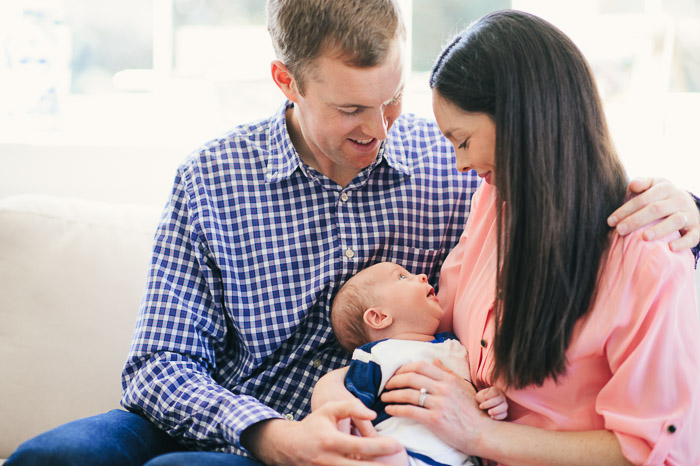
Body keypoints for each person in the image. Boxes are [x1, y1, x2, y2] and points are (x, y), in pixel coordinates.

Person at [6, 1, 700, 465]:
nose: (380, 127)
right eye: (350, 108)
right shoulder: (212, 180)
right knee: (51, 460)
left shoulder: (461, 169)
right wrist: (267, 432)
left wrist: (689, 208)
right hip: (236, 415)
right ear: (287, 81)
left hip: (374, 436)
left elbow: (570, 192)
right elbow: (158, 365)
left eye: (394, 98)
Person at [371, 10, 700, 465]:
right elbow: (439, 321)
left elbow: (652, 453)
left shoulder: (646, 258)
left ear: (522, 121)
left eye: (462, 142)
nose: (459, 166)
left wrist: (480, 435)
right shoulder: (492, 201)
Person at [327, 261, 507, 466]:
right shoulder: (377, 355)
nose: (422, 275)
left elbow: (470, 400)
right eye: (402, 277)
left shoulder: (456, 347)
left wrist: (491, 402)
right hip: (400, 451)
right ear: (379, 317)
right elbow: (352, 411)